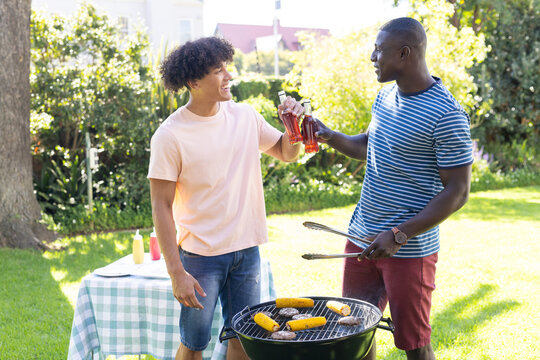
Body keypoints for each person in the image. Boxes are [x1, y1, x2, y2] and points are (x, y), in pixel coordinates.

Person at [315, 17, 473, 360]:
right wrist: (330, 136)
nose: (373, 57)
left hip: (408, 251)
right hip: (361, 239)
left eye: (379, 50)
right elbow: (369, 146)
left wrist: (399, 234)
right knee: (353, 333)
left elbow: (458, 192)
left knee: (414, 344)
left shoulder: (447, 114)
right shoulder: (385, 96)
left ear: (404, 53)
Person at [147, 37, 302, 360]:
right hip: (201, 256)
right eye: (218, 71)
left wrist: (294, 127)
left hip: (246, 251)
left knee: (242, 339)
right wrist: (176, 272)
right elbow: (160, 206)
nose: (229, 77)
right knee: (194, 343)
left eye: (226, 68)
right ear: (193, 81)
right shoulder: (170, 134)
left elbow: (286, 152)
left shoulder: (244, 116)